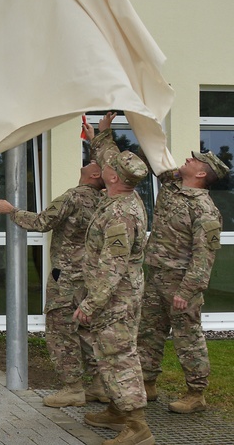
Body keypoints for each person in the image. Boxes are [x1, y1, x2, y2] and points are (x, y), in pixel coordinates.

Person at [0, 157, 107, 407]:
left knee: (60, 331)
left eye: (92, 162)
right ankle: (100, 385)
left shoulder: (74, 196)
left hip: (66, 277)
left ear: (96, 174)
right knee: (88, 330)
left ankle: (73, 388)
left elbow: (43, 221)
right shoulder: (104, 201)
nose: (87, 162)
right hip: (91, 277)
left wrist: (11, 210)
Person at [75, 114, 153, 444]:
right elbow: (109, 155)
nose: (103, 164)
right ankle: (117, 411)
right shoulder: (124, 192)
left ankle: (137, 427)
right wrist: (103, 133)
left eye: (109, 164)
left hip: (115, 297)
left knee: (120, 356)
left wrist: (90, 305)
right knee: (110, 353)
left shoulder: (121, 213)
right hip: (117, 294)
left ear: (113, 177)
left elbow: (113, 266)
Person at [138, 145, 228, 414]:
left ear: (201, 172)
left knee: (187, 338)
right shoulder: (173, 184)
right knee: (148, 332)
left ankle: (196, 393)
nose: (187, 158)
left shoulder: (205, 211)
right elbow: (152, 155)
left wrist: (187, 291)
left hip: (180, 282)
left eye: (194, 159)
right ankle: (147, 383)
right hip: (156, 275)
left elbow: (204, 256)